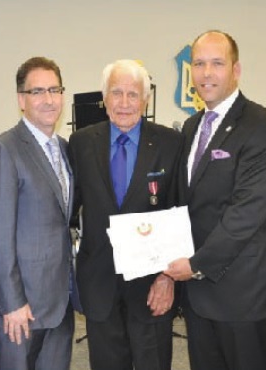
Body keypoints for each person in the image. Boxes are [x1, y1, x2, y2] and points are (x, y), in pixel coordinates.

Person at [164, 31, 266, 370]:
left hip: (241, 293)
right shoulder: (191, 126)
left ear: (236, 70)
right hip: (198, 294)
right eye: (199, 64)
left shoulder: (262, 126)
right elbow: (185, 203)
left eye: (217, 63)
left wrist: (197, 264)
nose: (206, 73)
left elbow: (247, 212)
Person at [68, 59, 182, 370]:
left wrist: (167, 277)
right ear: (103, 98)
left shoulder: (171, 143)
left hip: (150, 288)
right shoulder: (80, 143)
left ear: (145, 99)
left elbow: (179, 212)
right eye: (116, 93)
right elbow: (67, 208)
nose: (124, 103)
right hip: (100, 284)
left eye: (133, 94)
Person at [0, 56, 79, 370]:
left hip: (59, 301)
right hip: (20, 308)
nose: (48, 100)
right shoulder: (3, 150)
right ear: (22, 99)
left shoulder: (64, 147)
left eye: (54, 90)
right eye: (37, 92)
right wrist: (12, 303)